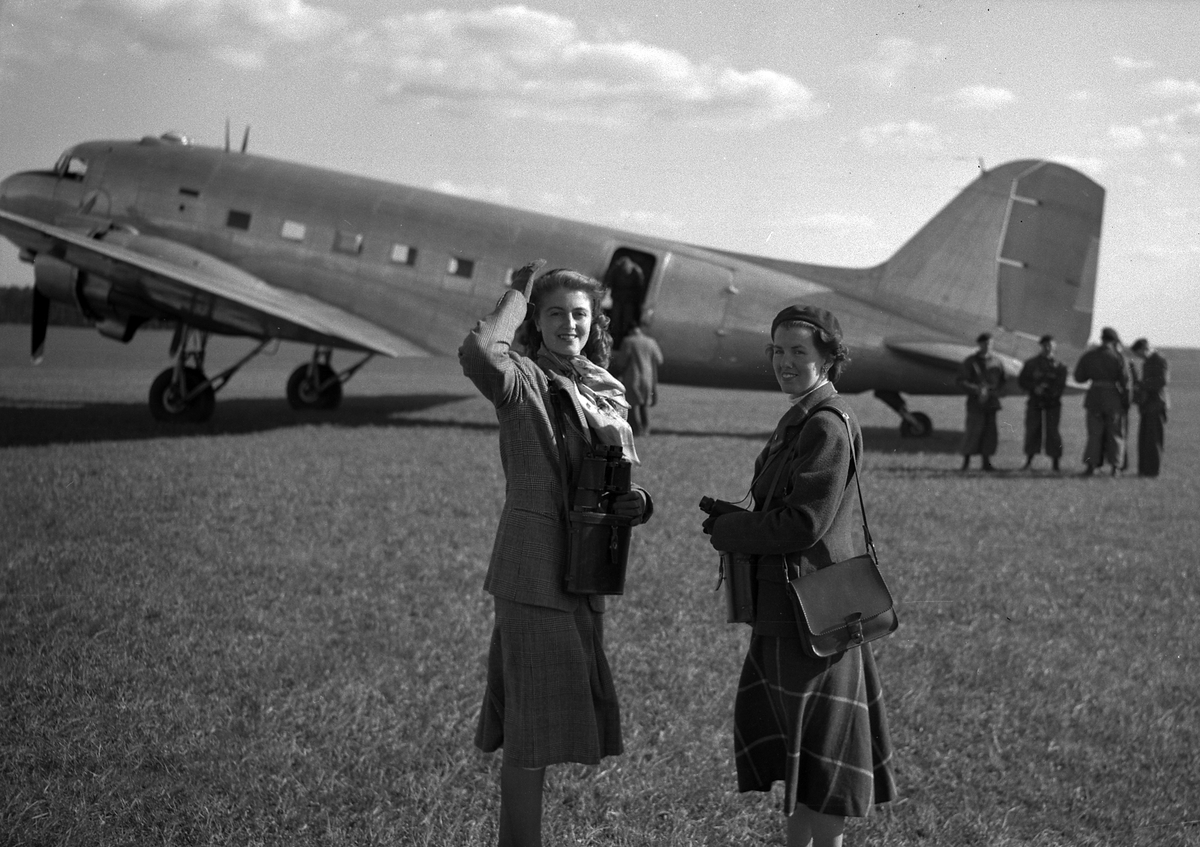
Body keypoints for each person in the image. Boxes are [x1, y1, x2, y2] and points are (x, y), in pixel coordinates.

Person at [459, 260, 654, 847]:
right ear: (537, 322)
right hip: (534, 575)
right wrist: (517, 294)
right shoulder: (522, 379)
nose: (569, 324)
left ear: (594, 322)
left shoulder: (602, 389)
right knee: (530, 732)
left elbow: (603, 482)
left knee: (540, 726)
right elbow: (479, 353)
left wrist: (635, 503)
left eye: (579, 314)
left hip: (585, 576)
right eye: (555, 313)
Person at [701, 305, 896, 847]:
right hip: (792, 611)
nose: (785, 362)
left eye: (799, 352)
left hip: (813, 618)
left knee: (824, 762)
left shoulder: (827, 425)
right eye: (778, 350)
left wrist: (734, 531)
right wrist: (739, 519)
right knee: (805, 758)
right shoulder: (802, 417)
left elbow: (804, 524)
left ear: (828, 358)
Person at [1073, 326, 1133, 477]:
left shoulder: (1089, 356)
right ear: (1114, 341)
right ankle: (1115, 467)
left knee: (1094, 434)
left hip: (1094, 398)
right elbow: (1126, 382)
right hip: (1113, 400)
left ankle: (1091, 466)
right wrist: (1127, 402)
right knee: (1115, 434)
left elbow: (1078, 377)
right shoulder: (1118, 357)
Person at [1017, 334, 1069, 471]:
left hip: (1053, 403)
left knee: (1053, 432)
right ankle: (1028, 461)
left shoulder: (1060, 366)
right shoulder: (1031, 364)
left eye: (1050, 345)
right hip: (1035, 401)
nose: (1047, 348)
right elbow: (1022, 381)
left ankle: (1055, 463)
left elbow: (1060, 385)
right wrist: (1034, 388)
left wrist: (1048, 392)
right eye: (1045, 345)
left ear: (1054, 347)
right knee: (1032, 430)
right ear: (1041, 346)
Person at [956, 332, 1007, 471]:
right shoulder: (970, 362)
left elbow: (1003, 381)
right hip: (975, 402)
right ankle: (966, 463)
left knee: (989, 433)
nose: (988, 346)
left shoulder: (997, 362)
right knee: (973, 431)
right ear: (979, 344)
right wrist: (977, 390)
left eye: (990, 343)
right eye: (985, 343)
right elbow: (961, 381)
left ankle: (986, 462)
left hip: (991, 401)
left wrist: (996, 392)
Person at [610, 322, 664, 436]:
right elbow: (659, 359)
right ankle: (646, 429)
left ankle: (636, 430)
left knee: (632, 406)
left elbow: (622, 362)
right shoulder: (651, 342)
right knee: (644, 405)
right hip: (648, 378)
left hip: (632, 378)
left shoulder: (628, 341)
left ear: (630, 331)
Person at [1130, 338, 1169, 477]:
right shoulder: (1148, 361)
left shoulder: (1159, 359)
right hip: (1147, 405)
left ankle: (1152, 471)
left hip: (1156, 404)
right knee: (1145, 439)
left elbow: (1162, 381)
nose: (1138, 357)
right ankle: (1144, 470)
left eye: (1138, 353)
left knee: (1153, 439)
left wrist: (1141, 385)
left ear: (1144, 348)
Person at [603, 255, 646, 346]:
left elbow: (640, 288)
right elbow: (608, 281)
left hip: (629, 300)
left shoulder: (636, 271)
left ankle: (623, 341)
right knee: (615, 320)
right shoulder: (616, 269)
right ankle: (614, 340)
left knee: (626, 321)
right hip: (617, 298)